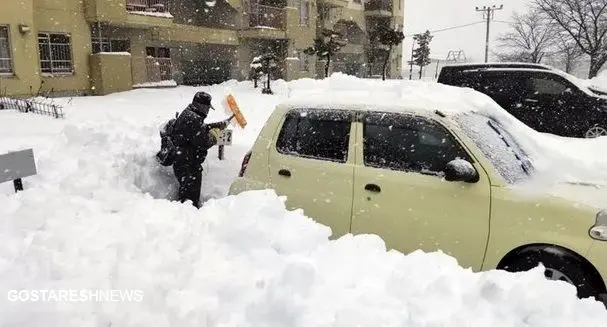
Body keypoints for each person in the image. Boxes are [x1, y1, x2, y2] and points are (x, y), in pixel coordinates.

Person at [170, 91, 229, 208]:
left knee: (187, 197)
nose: (207, 111)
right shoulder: (193, 118)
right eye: (207, 108)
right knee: (189, 202)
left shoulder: (190, 114)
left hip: (185, 162)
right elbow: (204, 142)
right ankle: (189, 220)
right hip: (188, 166)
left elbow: (197, 130)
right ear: (201, 106)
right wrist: (215, 134)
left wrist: (215, 125)